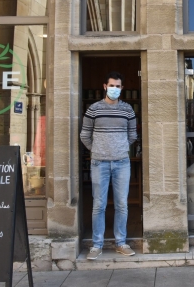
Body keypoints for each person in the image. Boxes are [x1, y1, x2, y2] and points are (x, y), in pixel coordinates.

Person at [80, 71, 137, 259]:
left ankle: (121, 242)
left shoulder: (127, 109)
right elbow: (84, 135)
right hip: (99, 163)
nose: (114, 89)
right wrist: (97, 150)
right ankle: (97, 245)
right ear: (105, 86)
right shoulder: (94, 109)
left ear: (122, 88)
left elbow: (132, 135)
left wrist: (119, 149)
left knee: (122, 204)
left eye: (118, 86)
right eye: (111, 85)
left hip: (122, 163)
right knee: (99, 204)